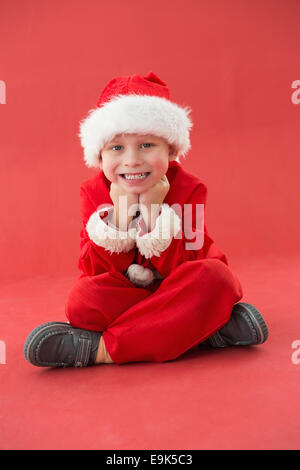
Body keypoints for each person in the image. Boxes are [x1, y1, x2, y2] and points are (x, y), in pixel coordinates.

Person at [24, 71, 268, 368]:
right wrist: (121, 216)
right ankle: (203, 329)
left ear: (172, 150)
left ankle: (101, 350)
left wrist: (153, 214)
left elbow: (186, 262)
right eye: (117, 148)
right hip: (130, 295)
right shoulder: (92, 193)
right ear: (100, 157)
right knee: (82, 301)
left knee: (218, 280)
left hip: (179, 286)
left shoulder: (190, 189)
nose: (132, 160)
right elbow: (95, 270)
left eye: (146, 145)